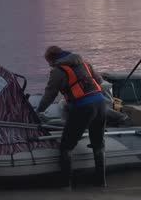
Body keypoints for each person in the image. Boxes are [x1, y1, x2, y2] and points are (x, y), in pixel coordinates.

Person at [36, 46, 106, 188]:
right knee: (98, 145)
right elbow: (99, 81)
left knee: (66, 147)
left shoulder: (58, 71)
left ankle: (65, 184)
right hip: (101, 103)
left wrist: (38, 112)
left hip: (83, 108)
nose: (49, 65)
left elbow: (49, 95)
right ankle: (101, 182)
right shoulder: (85, 64)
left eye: (48, 61)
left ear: (52, 59)